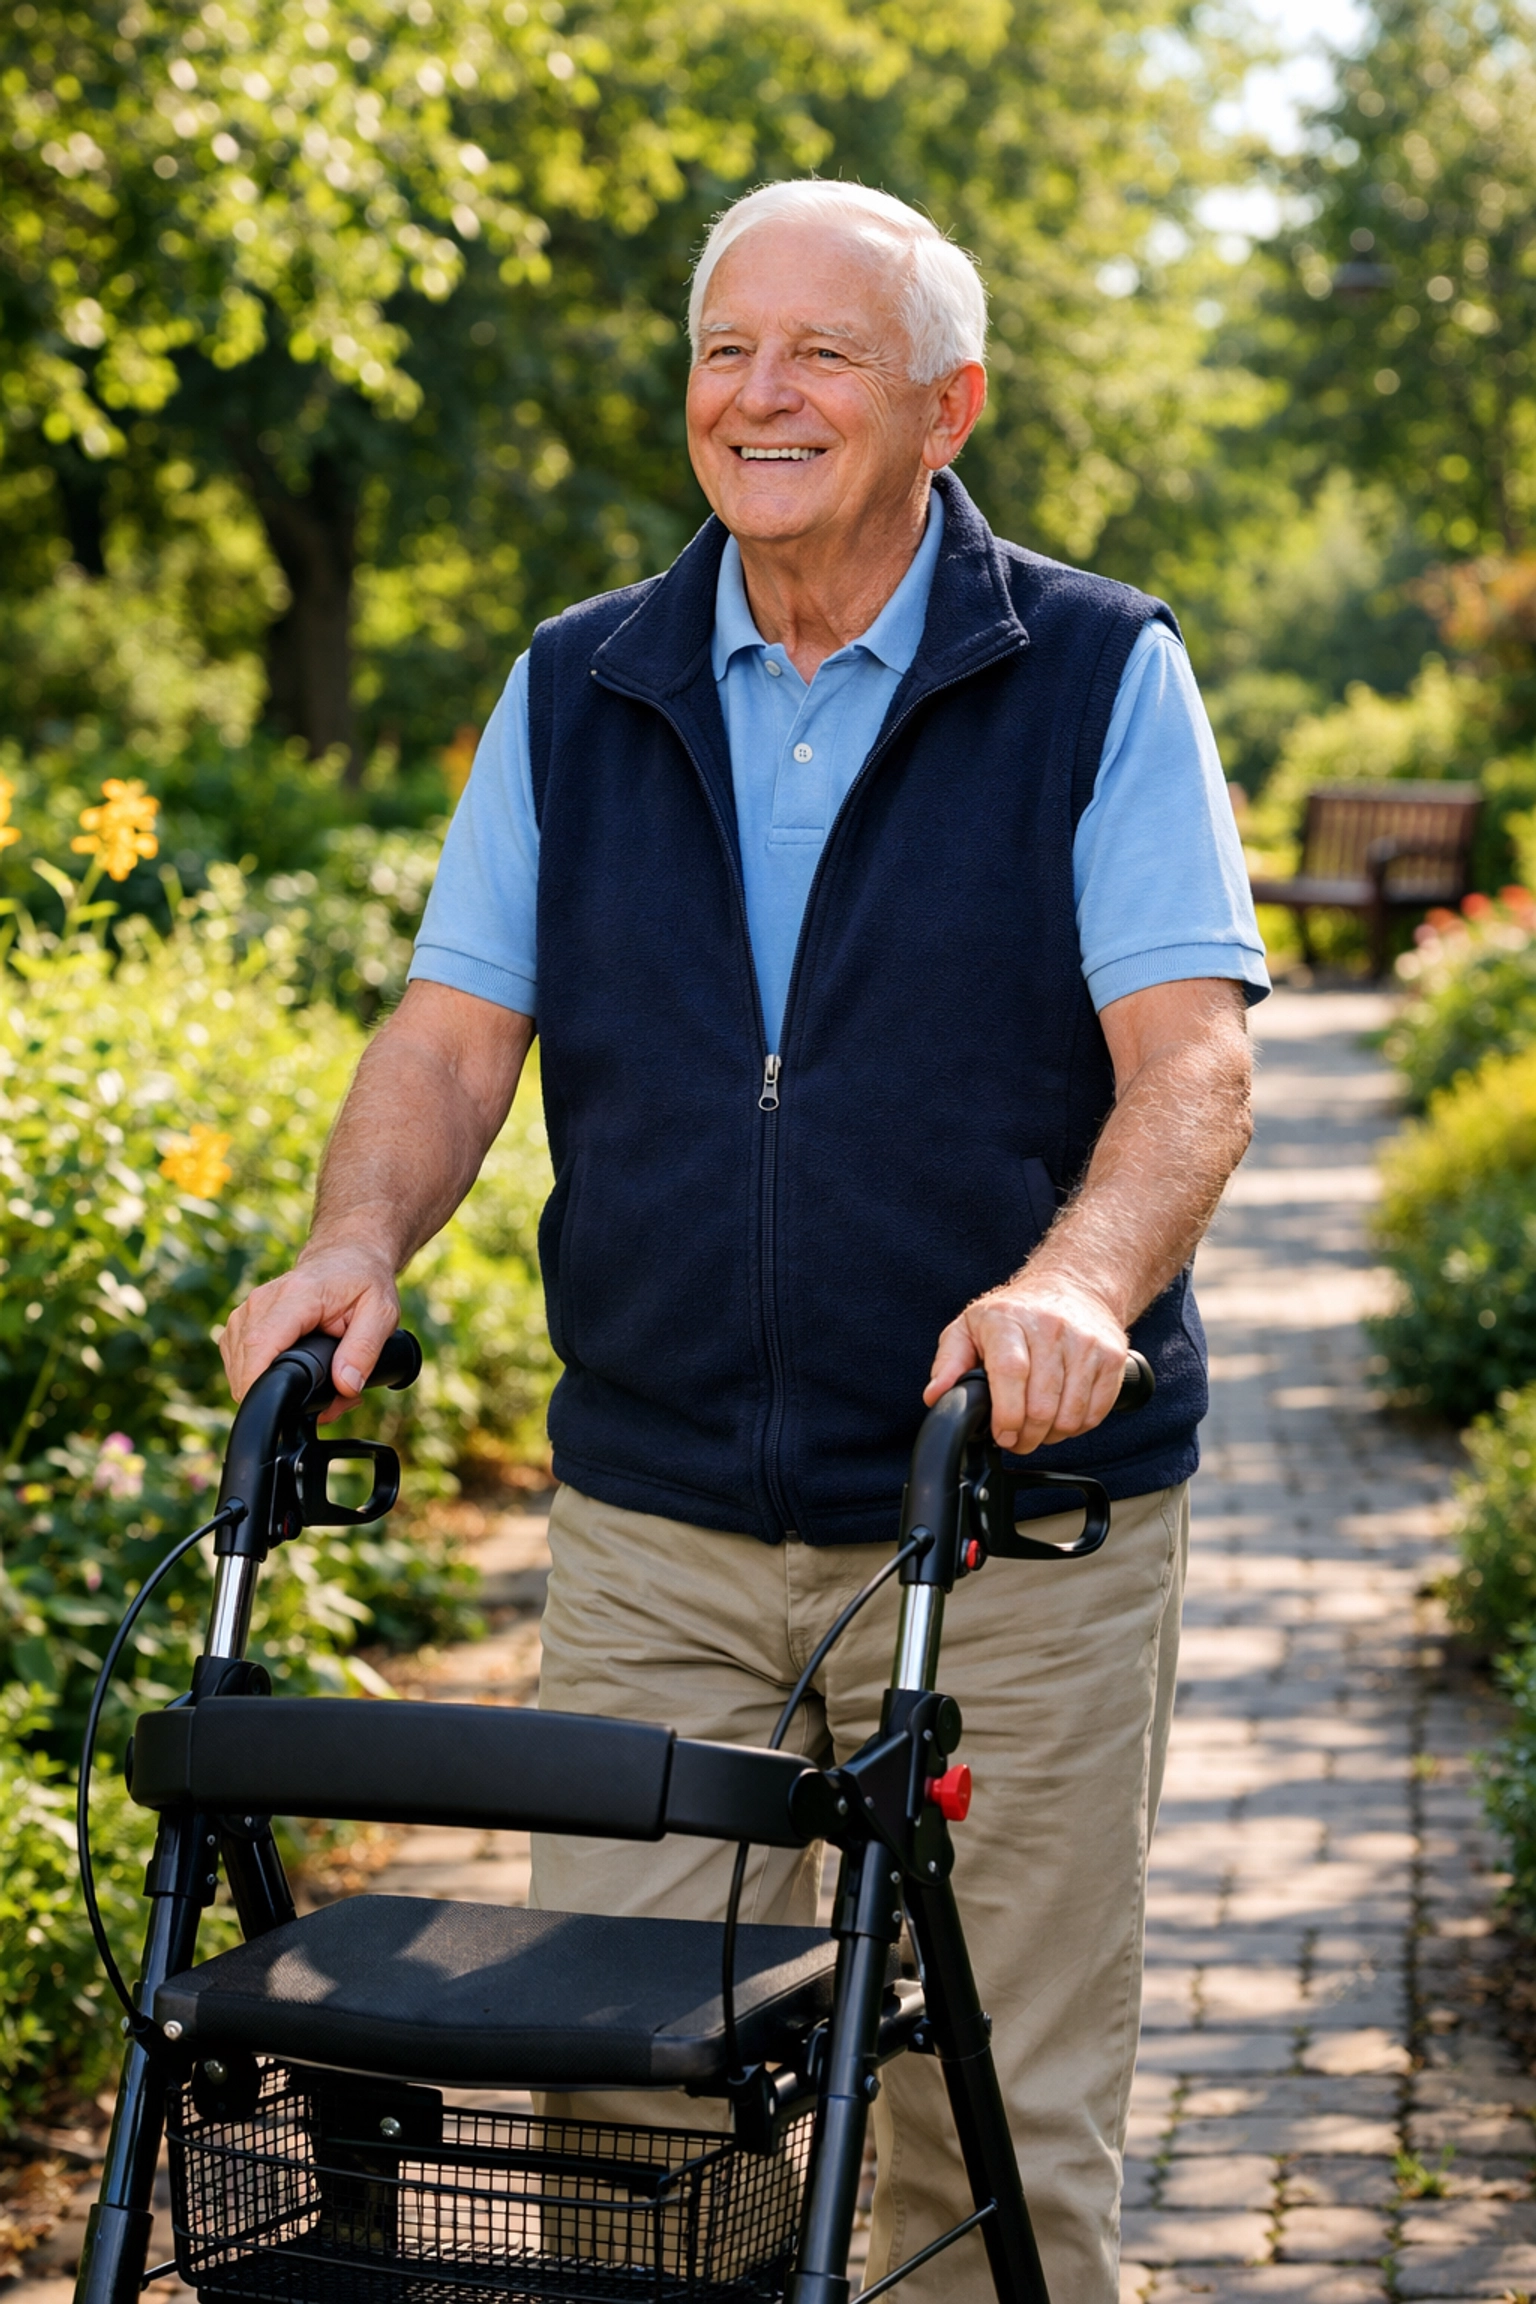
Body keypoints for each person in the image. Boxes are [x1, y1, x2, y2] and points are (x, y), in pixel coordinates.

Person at [222, 180, 1265, 2304]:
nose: (758, 394)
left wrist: (1076, 1288)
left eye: (824, 356)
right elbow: (450, 1033)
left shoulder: (1094, 673)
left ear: (948, 407)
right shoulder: (579, 679)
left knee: (983, 2129)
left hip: (1002, 1534)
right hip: (659, 1522)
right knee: (627, 2103)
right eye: (724, 349)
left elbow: (1192, 1065)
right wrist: (357, 1239)